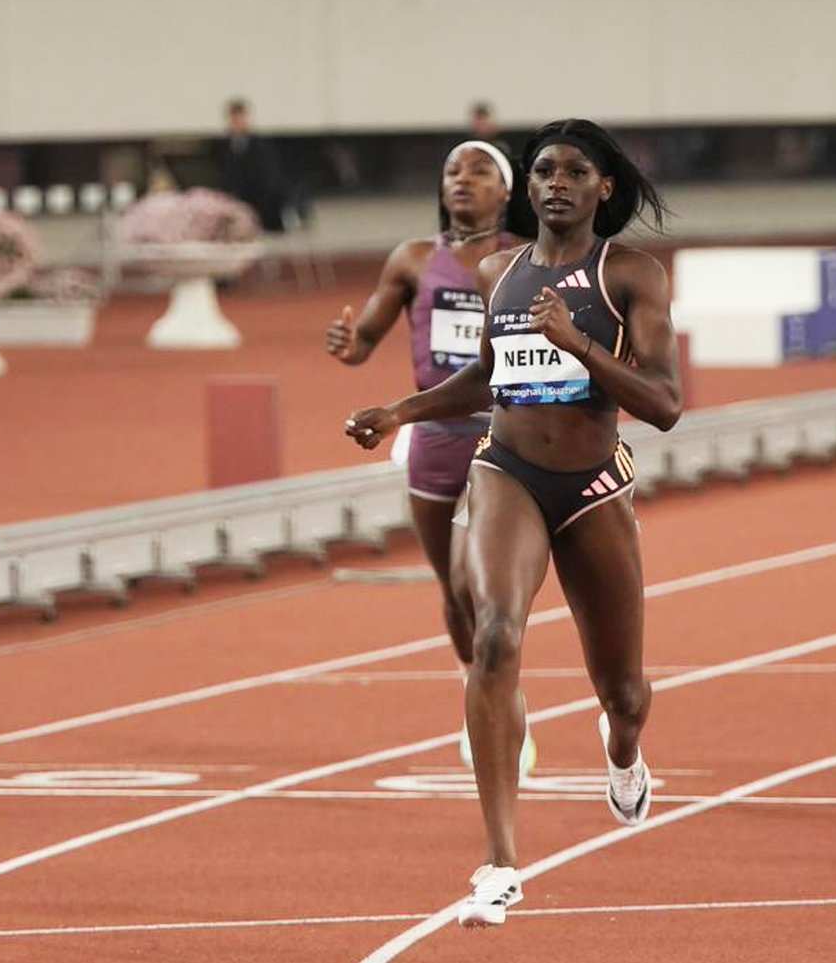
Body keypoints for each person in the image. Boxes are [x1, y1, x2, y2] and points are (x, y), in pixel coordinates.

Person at [344, 118, 682, 927]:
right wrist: (400, 411)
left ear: (604, 187)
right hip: (508, 472)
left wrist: (582, 347)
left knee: (625, 690)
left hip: (595, 484)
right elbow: (485, 378)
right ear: (528, 191)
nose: (554, 183)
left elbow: (664, 405)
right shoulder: (501, 270)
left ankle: (625, 751)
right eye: (542, 172)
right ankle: (499, 862)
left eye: (573, 171)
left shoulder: (629, 273)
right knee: (493, 634)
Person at [326, 139, 539, 775]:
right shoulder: (414, 259)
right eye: (453, 171)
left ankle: (504, 708)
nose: (463, 181)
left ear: (507, 192)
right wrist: (347, 343)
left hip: (494, 435)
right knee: (453, 594)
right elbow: (365, 339)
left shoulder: (522, 261)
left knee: (475, 579)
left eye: (480, 172)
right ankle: (475, 691)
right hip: (430, 441)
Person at [218, 98, 288, 233]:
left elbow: (268, 179)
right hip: (234, 198)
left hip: (258, 200)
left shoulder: (261, 146)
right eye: (234, 120)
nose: (237, 123)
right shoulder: (224, 145)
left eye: (240, 119)